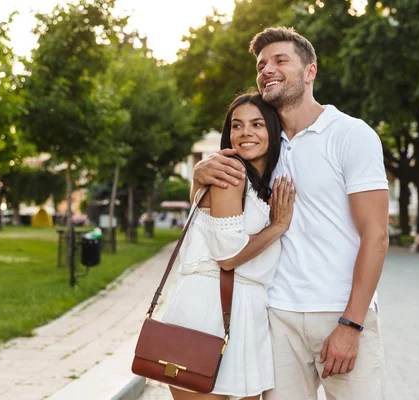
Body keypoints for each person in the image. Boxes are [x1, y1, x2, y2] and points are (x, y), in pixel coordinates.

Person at [192, 27, 389, 400]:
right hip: (276, 315)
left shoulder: (350, 134)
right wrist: (197, 175)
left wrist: (352, 323)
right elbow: (218, 200)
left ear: (310, 71)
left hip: (338, 311)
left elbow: (376, 235)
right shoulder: (262, 144)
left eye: (281, 60)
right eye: (262, 64)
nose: (268, 69)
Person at [149, 92, 296, 400]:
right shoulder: (231, 173)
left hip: (245, 309)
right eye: (237, 125)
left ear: (272, 129)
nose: (246, 133)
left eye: (257, 124)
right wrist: (278, 226)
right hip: (207, 308)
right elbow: (227, 256)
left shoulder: (252, 181)